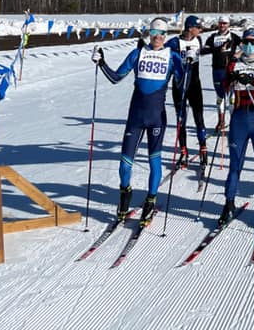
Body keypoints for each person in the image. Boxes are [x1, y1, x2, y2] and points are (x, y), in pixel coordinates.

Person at [91, 17, 186, 224]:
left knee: (155, 161)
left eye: (162, 34)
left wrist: (187, 65)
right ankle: (125, 194)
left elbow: (182, 84)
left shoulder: (172, 56)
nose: (158, 38)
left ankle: (151, 200)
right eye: (154, 34)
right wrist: (102, 62)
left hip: (156, 119)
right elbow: (116, 78)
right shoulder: (137, 54)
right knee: (125, 164)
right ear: (148, 34)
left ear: (166, 36)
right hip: (135, 117)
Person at [217, 28, 254, 226]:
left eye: (252, 41)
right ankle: (229, 203)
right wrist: (231, 77)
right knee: (235, 165)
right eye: (246, 41)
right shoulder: (234, 63)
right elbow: (223, 88)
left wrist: (251, 79)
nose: (248, 45)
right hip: (239, 119)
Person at [165, 15, 208, 168]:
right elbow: (162, 56)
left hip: (195, 85)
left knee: (199, 118)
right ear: (190, 28)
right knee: (181, 120)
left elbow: (203, 51)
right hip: (179, 86)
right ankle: (183, 151)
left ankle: (203, 149)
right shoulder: (174, 43)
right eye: (198, 27)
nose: (200, 30)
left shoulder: (199, 40)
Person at [202, 15, 242, 133]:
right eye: (221, 23)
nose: (222, 25)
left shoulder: (234, 37)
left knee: (232, 98)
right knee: (220, 97)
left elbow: (246, 47)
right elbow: (203, 51)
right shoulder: (213, 37)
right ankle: (221, 121)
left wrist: (237, 55)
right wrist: (217, 49)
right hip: (217, 70)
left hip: (230, 70)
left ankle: (234, 122)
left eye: (225, 23)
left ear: (228, 24)